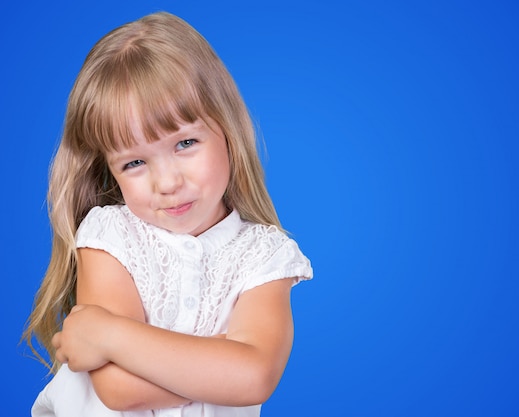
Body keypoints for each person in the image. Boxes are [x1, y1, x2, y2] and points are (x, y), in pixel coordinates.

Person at [21, 11, 313, 417]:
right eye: (135, 163)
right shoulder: (110, 236)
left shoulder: (265, 257)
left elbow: (254, 377)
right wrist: (219, 367)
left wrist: (108, 335)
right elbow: (120, 389)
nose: (167, 182)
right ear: (110, 169)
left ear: (227, 129)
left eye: (185, 142)